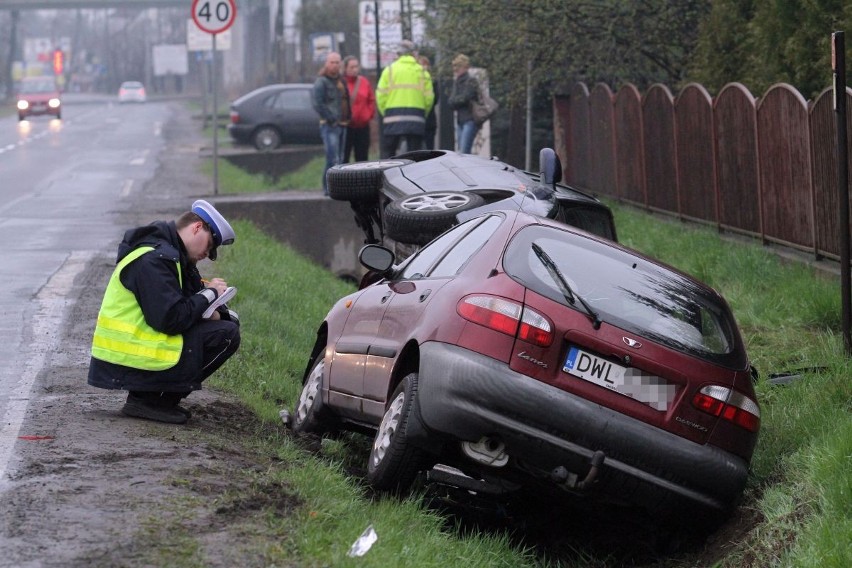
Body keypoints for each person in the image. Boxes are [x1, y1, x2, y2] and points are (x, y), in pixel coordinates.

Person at [87, 200, 241, 424]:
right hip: (129, 359)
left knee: (227, 327)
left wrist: (217, 307)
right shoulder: (154, 258)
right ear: (197, 227)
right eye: (209, 245)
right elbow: (170, 319)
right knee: (225, 336)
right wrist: (209, 295)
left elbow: (191, 301)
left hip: (138, 352)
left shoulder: (174, 255)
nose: (207, 254)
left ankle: (155, 399)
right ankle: (149, 401)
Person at [376, 40, 434, 157]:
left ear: (398, 54)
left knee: (388, 154)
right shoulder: (422, 72)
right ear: (414, 54)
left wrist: (385, 113)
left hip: (392, 117)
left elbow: (380, 96)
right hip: (416, 117)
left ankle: (386, 175)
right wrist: (423, 113)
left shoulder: (389, 71)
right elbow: (429, 98)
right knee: (414, 156)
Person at [312, 51, 351, 195]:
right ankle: (327, 188)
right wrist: (331, 118)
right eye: (332, 62)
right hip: (330, 125)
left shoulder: (341, 81)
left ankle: (337, 189)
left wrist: (348, 117)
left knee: (340, 159)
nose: (335, 65)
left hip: (343, 124)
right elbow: (318, 104)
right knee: (332, 158)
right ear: (326, 64)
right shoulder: (321, 82)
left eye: (337, 62)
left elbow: (346, 100)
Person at [342, 56, 376, 163]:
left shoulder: (364, 82)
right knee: (344, 157)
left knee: (362, 158)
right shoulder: (341, 83)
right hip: (347, 126)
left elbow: (371, 100)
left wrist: (368, 115)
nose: (355, 69)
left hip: (362, 126)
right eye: (352, 67)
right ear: (345, 68)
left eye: (356, 66)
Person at [448, 53, 480, 154]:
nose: (456, 71)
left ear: (465, 67)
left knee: (464, 153)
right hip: (461, 121)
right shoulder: (457, 82)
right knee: (461, 153)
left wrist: (456, 101)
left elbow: (465, 98)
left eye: (458, 68)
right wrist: (457, 100)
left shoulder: (471, 81)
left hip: (470, 120)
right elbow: (452, 101)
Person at [418, 55, 438, 150]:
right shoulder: (430, 80)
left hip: (428, 120)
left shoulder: (432, 80)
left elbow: (435, 99)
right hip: (421, 119)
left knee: (429, 147)